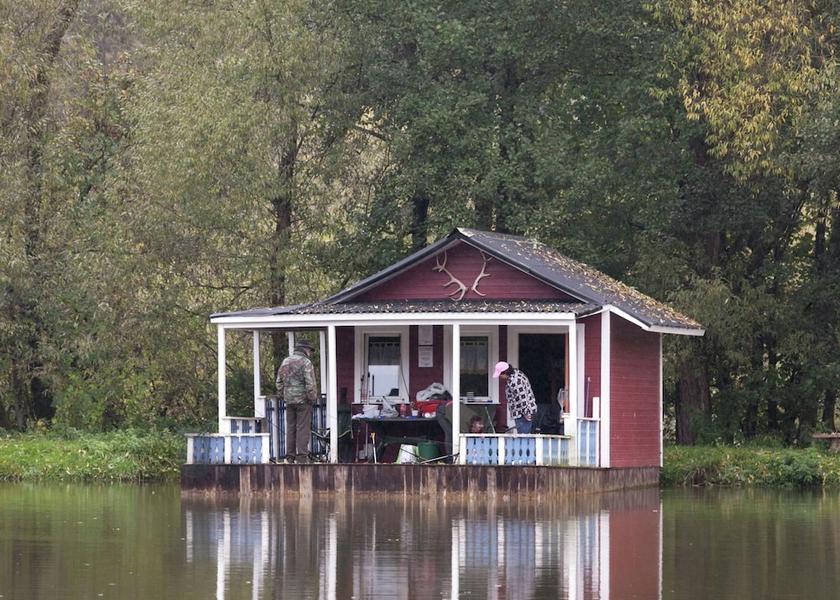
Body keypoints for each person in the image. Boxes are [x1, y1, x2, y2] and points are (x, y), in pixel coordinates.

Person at [276, 339, 319, 463]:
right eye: (310, 350)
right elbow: (310, 383)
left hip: (289, 401)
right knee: (302, 428)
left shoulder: (285, 361)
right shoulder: (306, 363)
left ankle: (290, 456)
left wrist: (282, 395)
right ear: (305, 350)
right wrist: (312, 398)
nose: (310, 353)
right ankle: (301, 457)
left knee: (290, 427)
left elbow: (279, 381)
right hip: (303, 401)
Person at [492, 361, 537, 434]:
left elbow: (522, 399)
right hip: (523, 413)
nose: (500, 377)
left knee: (523, 438)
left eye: (500, 374)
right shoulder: (517, 373)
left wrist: (526, 413)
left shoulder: (515, 382)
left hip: (523, 415)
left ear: (505, 372)